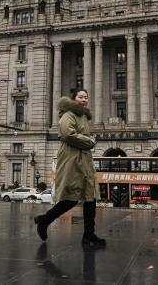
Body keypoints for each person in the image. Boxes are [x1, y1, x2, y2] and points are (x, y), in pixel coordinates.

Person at [34, 89, 106, 247]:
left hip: (84, 159)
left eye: (86, 97)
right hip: (72, 159)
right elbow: (68, 135)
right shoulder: (68, 114)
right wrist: (90, 141)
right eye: (81, 97)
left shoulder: (83, 117)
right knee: (71, 198)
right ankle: (44, 220)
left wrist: (89, 141)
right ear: (74, 99)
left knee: (90, 197)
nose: (84, 99)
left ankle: (88, 235)